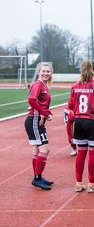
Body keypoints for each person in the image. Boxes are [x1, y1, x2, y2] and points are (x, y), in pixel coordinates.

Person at [67, 60, 94, 193]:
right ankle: (91, 184)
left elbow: (70, 106)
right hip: (92, 121)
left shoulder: (74, 86)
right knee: (93, 153)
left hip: (79, 122)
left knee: (81, 153)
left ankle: (78, 183)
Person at [24, 62, 54, 190]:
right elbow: (31, 100)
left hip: (37, 120)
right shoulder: (38, 85)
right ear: (38, 72)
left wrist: (48, 113)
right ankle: (37, 178)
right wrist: (44, 113)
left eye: (48, 71)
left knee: (36, 150)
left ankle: (38, 177)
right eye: (43, 71)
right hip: (34, 121)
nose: (46, 73)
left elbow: (42, 104)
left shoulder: (44, 85)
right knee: (45, 149)